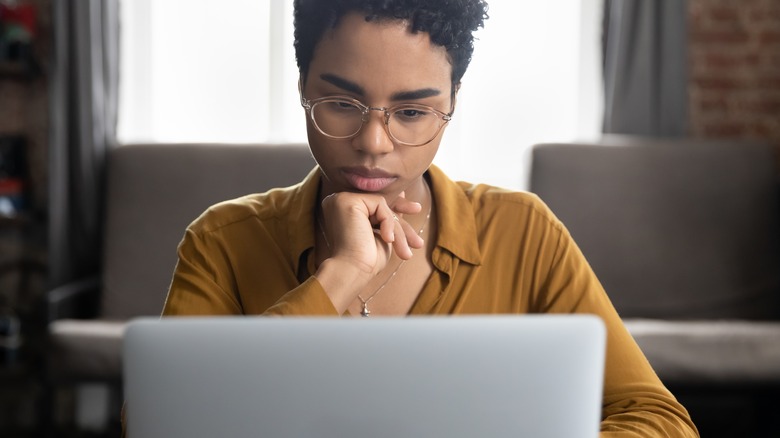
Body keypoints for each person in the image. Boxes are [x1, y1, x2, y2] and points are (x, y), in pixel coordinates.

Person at [160, 0, 699, 436]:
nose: (373, 144)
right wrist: (340, 274)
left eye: (413, 112)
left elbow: (659, 419)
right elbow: (164, 425)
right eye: (342, 103)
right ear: (304, 86)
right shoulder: (221, 241)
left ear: (454, 102)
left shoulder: (523, 231)